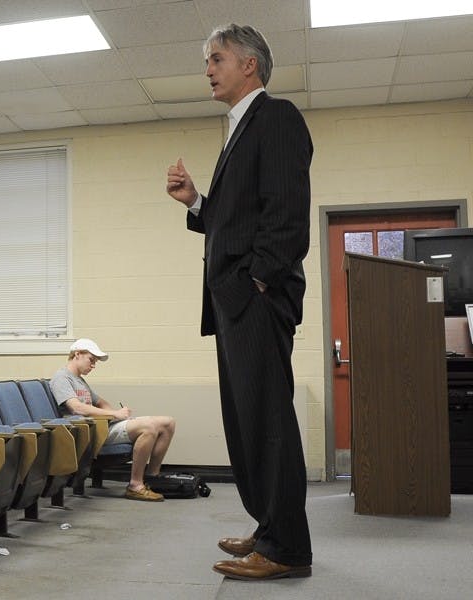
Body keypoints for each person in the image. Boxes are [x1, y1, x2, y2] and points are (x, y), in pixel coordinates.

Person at [165, 24, 312, 580]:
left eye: (216, 58)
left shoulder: (276, 118)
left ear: (249, 64)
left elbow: (287, 217)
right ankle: (270, 525)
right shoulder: (238, 128)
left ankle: (286, 549)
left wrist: (255, 283)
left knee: (268, 421)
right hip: (234, 301)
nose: (208, 68)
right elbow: (232, 222)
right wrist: (196, 200)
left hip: (255, 298)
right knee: (247, 421)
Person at [50, 338, 176, 502]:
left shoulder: (79, 380)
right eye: (91, 360)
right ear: (77, 354)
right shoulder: (62, 378)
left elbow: (101, 402)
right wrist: (116, 415)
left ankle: (152, 478)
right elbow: (77, 408)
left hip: (101, 426)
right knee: (149, 428)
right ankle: (135, 486)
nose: (93, 365)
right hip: (87, 432)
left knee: (168, 423)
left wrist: (116, 413)